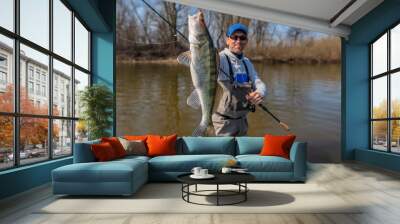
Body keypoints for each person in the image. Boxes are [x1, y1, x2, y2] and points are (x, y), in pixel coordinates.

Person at [212, 23, 267, 136]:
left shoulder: (247, 63)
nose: (238, 41)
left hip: (242, 121)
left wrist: (260, 93)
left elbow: (258, 82)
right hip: (222, 123)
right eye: (234, 37)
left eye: (242, 38)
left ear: (246, 41)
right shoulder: (219, 58)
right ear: (227, 40)